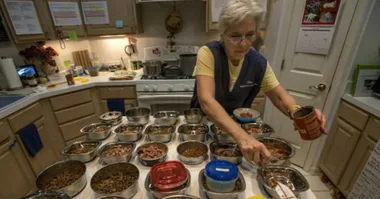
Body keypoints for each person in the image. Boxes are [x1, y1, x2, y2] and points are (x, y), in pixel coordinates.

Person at [191, 0, 326, 166]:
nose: (244, 43)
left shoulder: (258, 63)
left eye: (250, 35)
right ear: (223, 35)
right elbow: (207, 101)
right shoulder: (209, 53)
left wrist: (299, 114)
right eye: (235, 36)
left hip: (238, 132)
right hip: (204, 128)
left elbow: (280, 97)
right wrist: (243, 137)